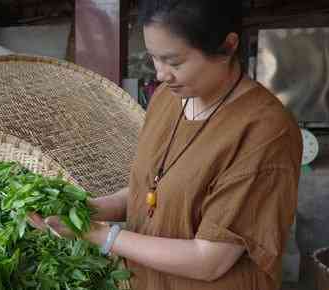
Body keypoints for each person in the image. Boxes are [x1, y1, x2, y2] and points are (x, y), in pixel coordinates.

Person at [28, 1, 303, 289]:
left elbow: (210, 260)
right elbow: (149, 192)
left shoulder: (265, 131)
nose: (161, 74)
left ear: (227, 46)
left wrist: (99, 234)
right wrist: (80, 210)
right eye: (154, 58)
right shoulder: (167, 98)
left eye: (174, 62)